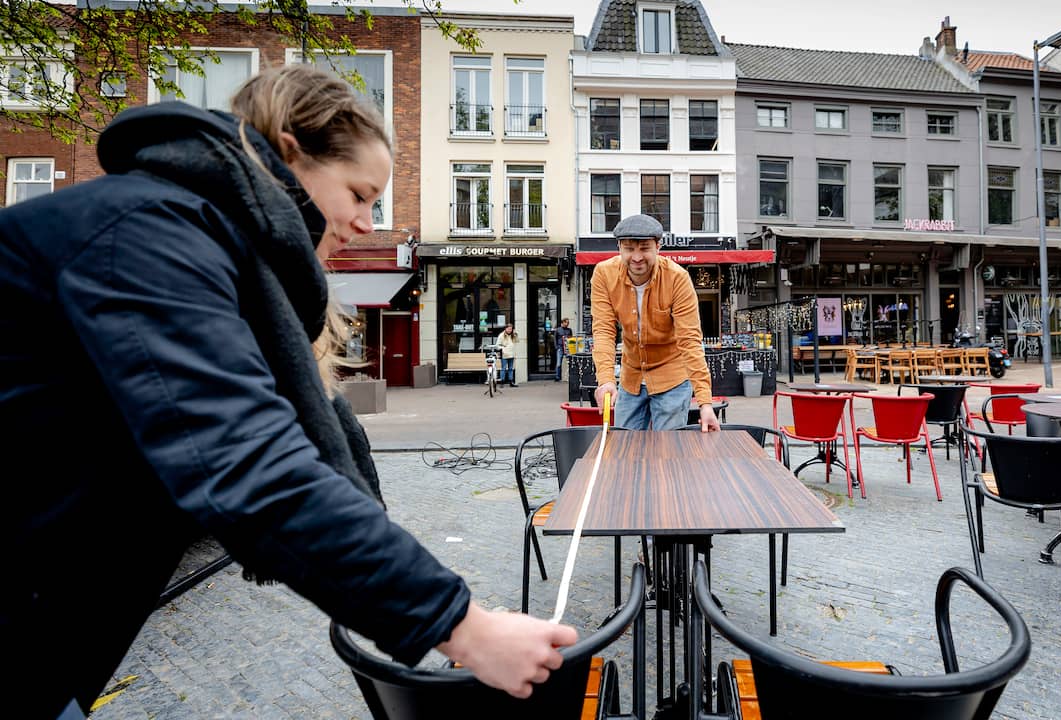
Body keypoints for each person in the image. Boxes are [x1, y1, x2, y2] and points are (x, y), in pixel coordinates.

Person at [0, 64, 575, 720]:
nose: (365, 221)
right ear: (291, 151)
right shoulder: (148, 234)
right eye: (360, 194)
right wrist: (464, 627)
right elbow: (250, 466)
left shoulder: (205, 251)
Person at [591, 214, 720, 432]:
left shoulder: (677, 278)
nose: (637, 257)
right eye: (630, 248)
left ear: (658, 247)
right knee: (625, 449)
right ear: (619, 247)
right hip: (631, 376)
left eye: (644, 248)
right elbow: (603, 330)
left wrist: (705, 402)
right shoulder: (604, 274)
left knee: (667, 453)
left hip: (672, 377)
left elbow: (690, 340)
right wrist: (605, 380)